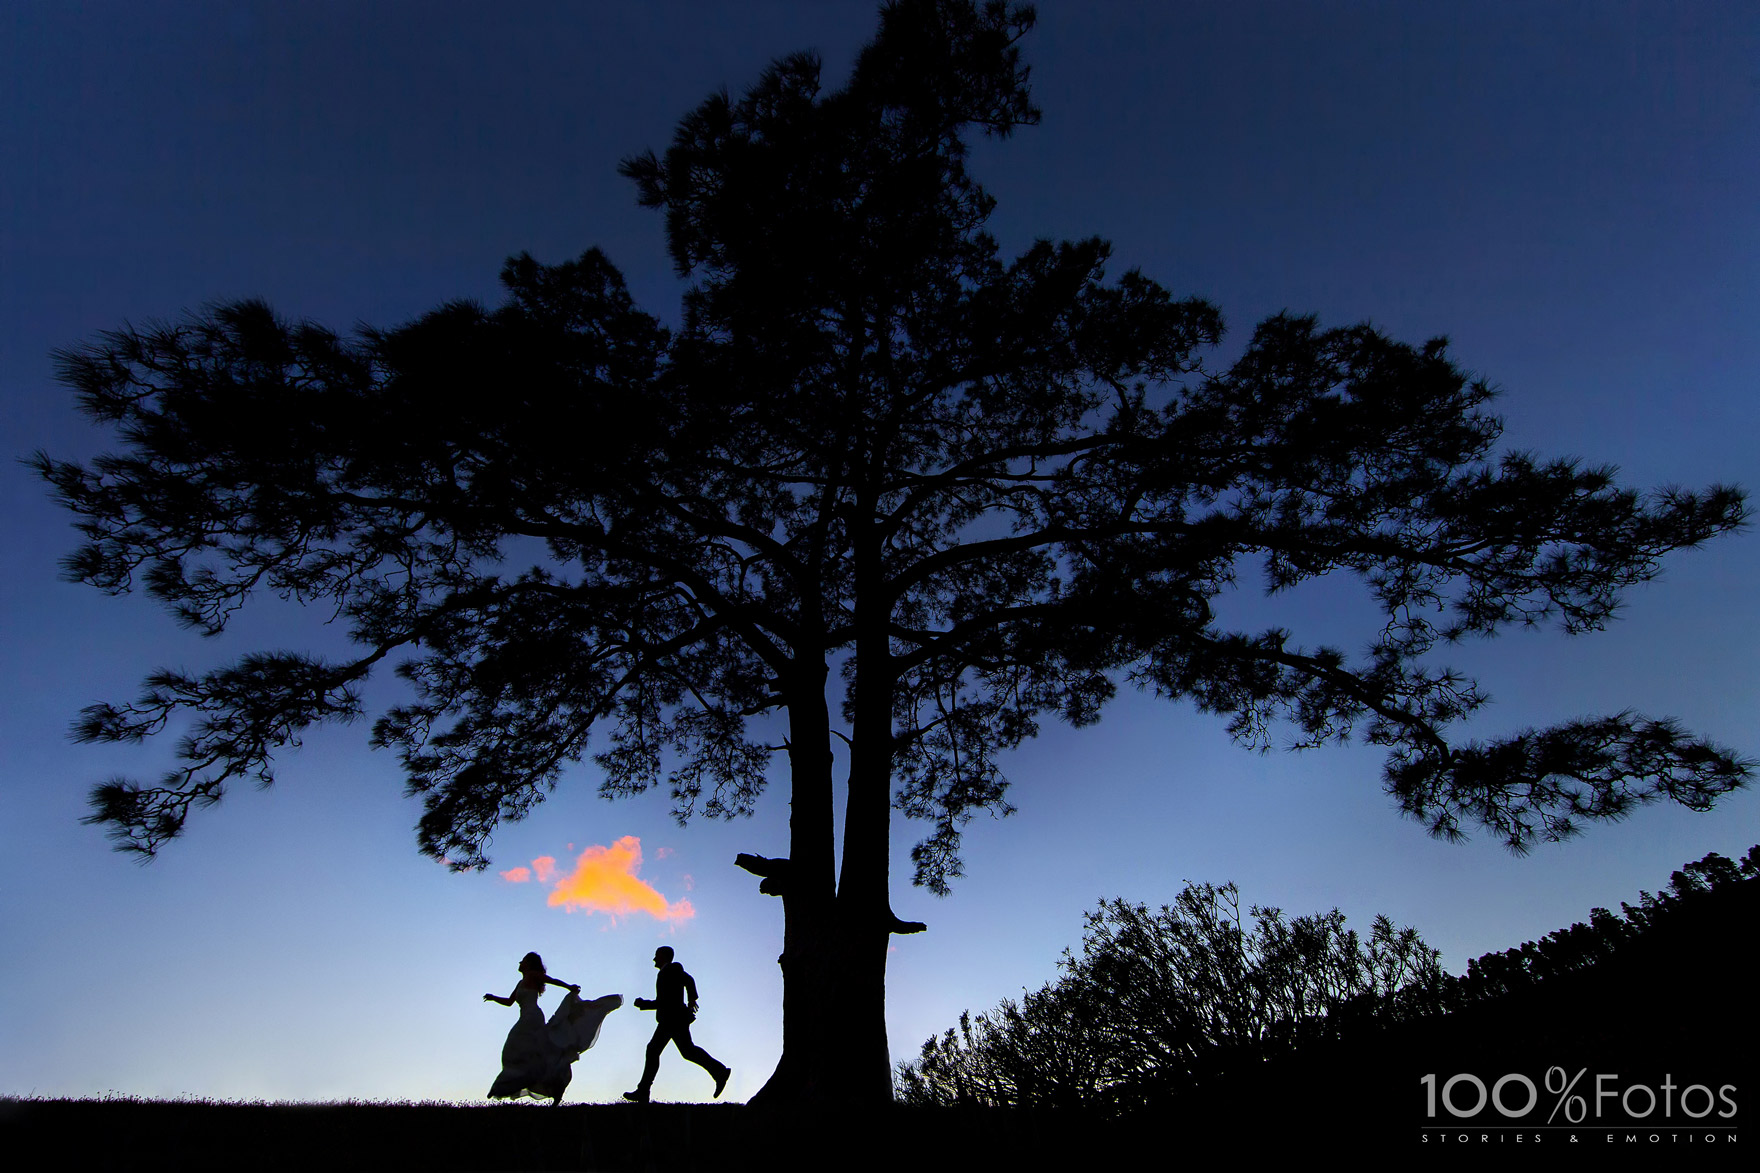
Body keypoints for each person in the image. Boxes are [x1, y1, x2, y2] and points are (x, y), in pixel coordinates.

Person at [484, 951, 622, 1105]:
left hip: (532, 1019)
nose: (519, 963)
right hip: (525, 1017)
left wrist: (568, 987)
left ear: (529, 963)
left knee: (518, 1048)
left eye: (522, 960)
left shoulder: (532, 975)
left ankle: (510, 1084)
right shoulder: (521, 982)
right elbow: (509, 1001)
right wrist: (493, 997)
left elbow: (551, 980)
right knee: (522, 1051)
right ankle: (518, 1084)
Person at [622, 946, 731, 1102]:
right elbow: (665, 1000)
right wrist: (645, 1004)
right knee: (687, 1051)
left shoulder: (673, 968)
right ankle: (720, 1072)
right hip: (673, 1019)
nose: (654, 959)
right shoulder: (666, 972)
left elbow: (687, 982)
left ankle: (643, 1091)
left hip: (672, 1019)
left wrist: (691, 999)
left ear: (664, 957)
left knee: (654, 1050)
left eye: (656, 956)